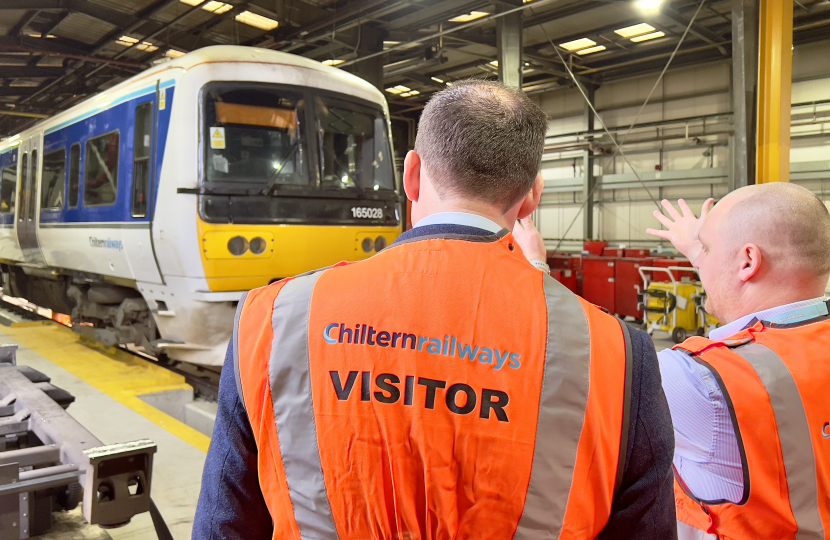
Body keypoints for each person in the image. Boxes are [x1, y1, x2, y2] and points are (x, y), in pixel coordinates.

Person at [193, 80, 676, 540]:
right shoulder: (617, 353)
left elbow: (226, 522)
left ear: (412, 173)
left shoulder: (273, 317)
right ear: (531, 196)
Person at [646, 184, 830, 539]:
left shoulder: (700, 379)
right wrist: (709, 250)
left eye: (707, 249)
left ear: (747, 261)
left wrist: (534, 263)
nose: (699, 259)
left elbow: (560, 374)